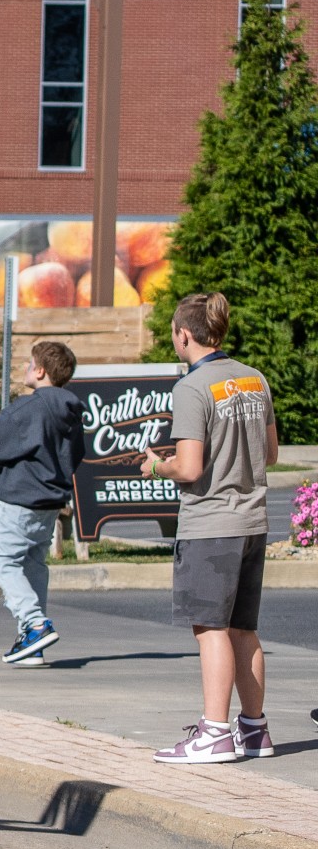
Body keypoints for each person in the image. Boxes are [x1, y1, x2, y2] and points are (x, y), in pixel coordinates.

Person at [144, 292, 279, 763]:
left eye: (173, 335)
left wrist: (157, 466)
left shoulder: (191, 387)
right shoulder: (253, 377)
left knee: (211, 629)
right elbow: (271, 454)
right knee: (244, 629)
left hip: (210, 524)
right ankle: (254, 730)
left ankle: (215, 732)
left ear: (184, 335)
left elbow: (189, 468)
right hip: (253, 519)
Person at [0, 338, 83, 667]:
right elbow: (75, 455)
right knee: (33, 564)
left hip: (19, 499)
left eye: (27, 363)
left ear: (40, 370)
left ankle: (35, 625)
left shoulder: (30, 407)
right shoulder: (70, 412)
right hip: (50, 502)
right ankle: (32, 646)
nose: (23, 368)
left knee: (1, 561)